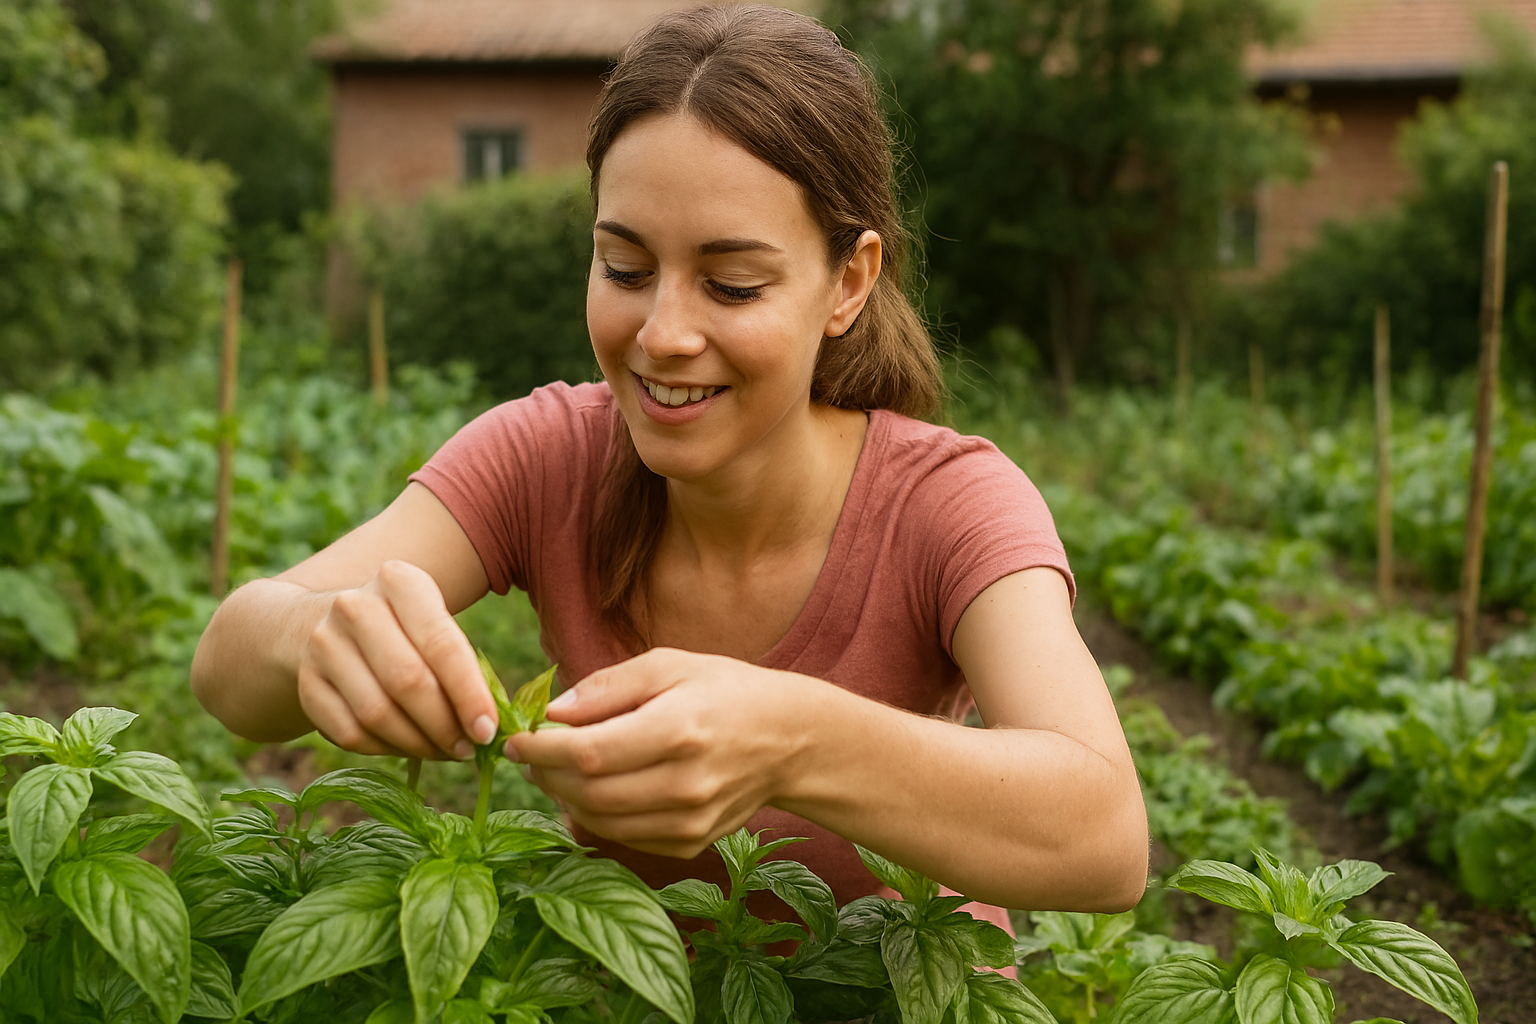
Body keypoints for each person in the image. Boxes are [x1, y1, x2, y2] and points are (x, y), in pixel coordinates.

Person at [191, 3, 1147, 927]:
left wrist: (792, 742)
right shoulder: (548, 454)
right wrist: (315, 637)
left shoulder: (949, 505)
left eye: (732, 283)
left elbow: (1105, 836)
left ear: (849, 281)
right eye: (626, 268)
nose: (663, 334)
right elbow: (228, 666)